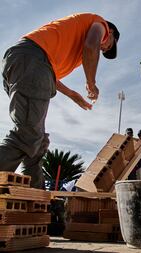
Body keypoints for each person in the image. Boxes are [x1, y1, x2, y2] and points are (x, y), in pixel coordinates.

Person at [0, 13, 120, 189]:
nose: (104, 49)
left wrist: (72, 94)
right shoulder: (99, 24)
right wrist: (91, 82)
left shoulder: (56, 45)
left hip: (26, 63)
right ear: (109, 33)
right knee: (27, 135)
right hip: (31, 61)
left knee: (36, 142)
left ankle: (36, 202)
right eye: (108, 46)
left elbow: (47, 76)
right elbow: (90, 46)